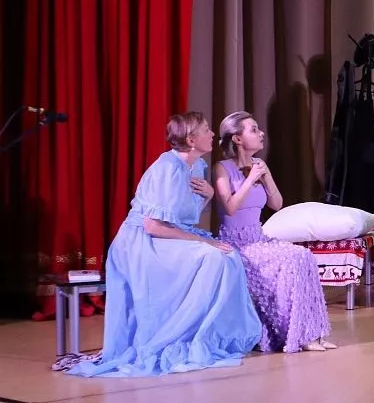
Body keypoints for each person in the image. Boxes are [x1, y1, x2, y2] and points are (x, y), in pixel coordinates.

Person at [67, 113, 262, 377]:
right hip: (141, 242)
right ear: (191, 140)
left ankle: (204, 334)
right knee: (212, 256)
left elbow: (184, 215)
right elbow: (153, 226)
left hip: (169, 235)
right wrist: (204, 241)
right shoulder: (166, 168)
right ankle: (176, 335)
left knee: (228, 257)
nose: (212, 134)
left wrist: (208, 196)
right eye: (206, 130)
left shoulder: (197, 166)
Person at [214, 111, 336, 353]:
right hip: (237, 244)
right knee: (293, 259)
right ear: (237, 138)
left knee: (304, 256)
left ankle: (314, 332)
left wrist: (266, 176)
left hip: (258, 238)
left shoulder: (260, 165)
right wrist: (250, 179)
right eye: (253, 129)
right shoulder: (222, 168)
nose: (261, 133)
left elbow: (277, 204)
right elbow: (229, 208)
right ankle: (299, 335)